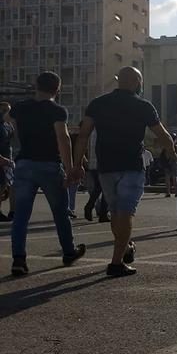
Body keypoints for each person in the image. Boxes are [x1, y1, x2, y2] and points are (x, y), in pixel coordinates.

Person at [74, 67, 174, 277]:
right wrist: (172, 153)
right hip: (131, 165)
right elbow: (163, 135)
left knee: (116, 211)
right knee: (125, 212)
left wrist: (77, 164)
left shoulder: (98, 103)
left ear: (118, 81)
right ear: (138, 83)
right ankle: (116, 263)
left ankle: (125, 246)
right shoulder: (143, 105)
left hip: (106, 165)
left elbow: (83, 135)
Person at [6, 72, 87, 276]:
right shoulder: (57, 110)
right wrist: (70, 169)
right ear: (57, 90)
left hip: (24, 163)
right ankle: (68, 252)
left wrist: (18, 130)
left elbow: (8, 118)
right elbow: (63, 138)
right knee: (60, 212)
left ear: (36, 86)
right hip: (49, 164)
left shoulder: (20, 108)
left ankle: (19, 259)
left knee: (21, 215)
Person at [82, 129, 109, 223]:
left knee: (99, 187)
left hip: (93, 163)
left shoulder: (91, 130)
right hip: (103, 162)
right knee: (106, 188)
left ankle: (91, 207)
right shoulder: (104, 128)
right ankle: (102, 213)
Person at [0, 102, 15, 222]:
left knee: (8, 186)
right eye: (3, 110)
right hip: (1, 160)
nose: (5, 113)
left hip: (8, 160)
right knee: (1, 186)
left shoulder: (8, 125)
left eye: (7, 110)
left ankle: (13, 211)